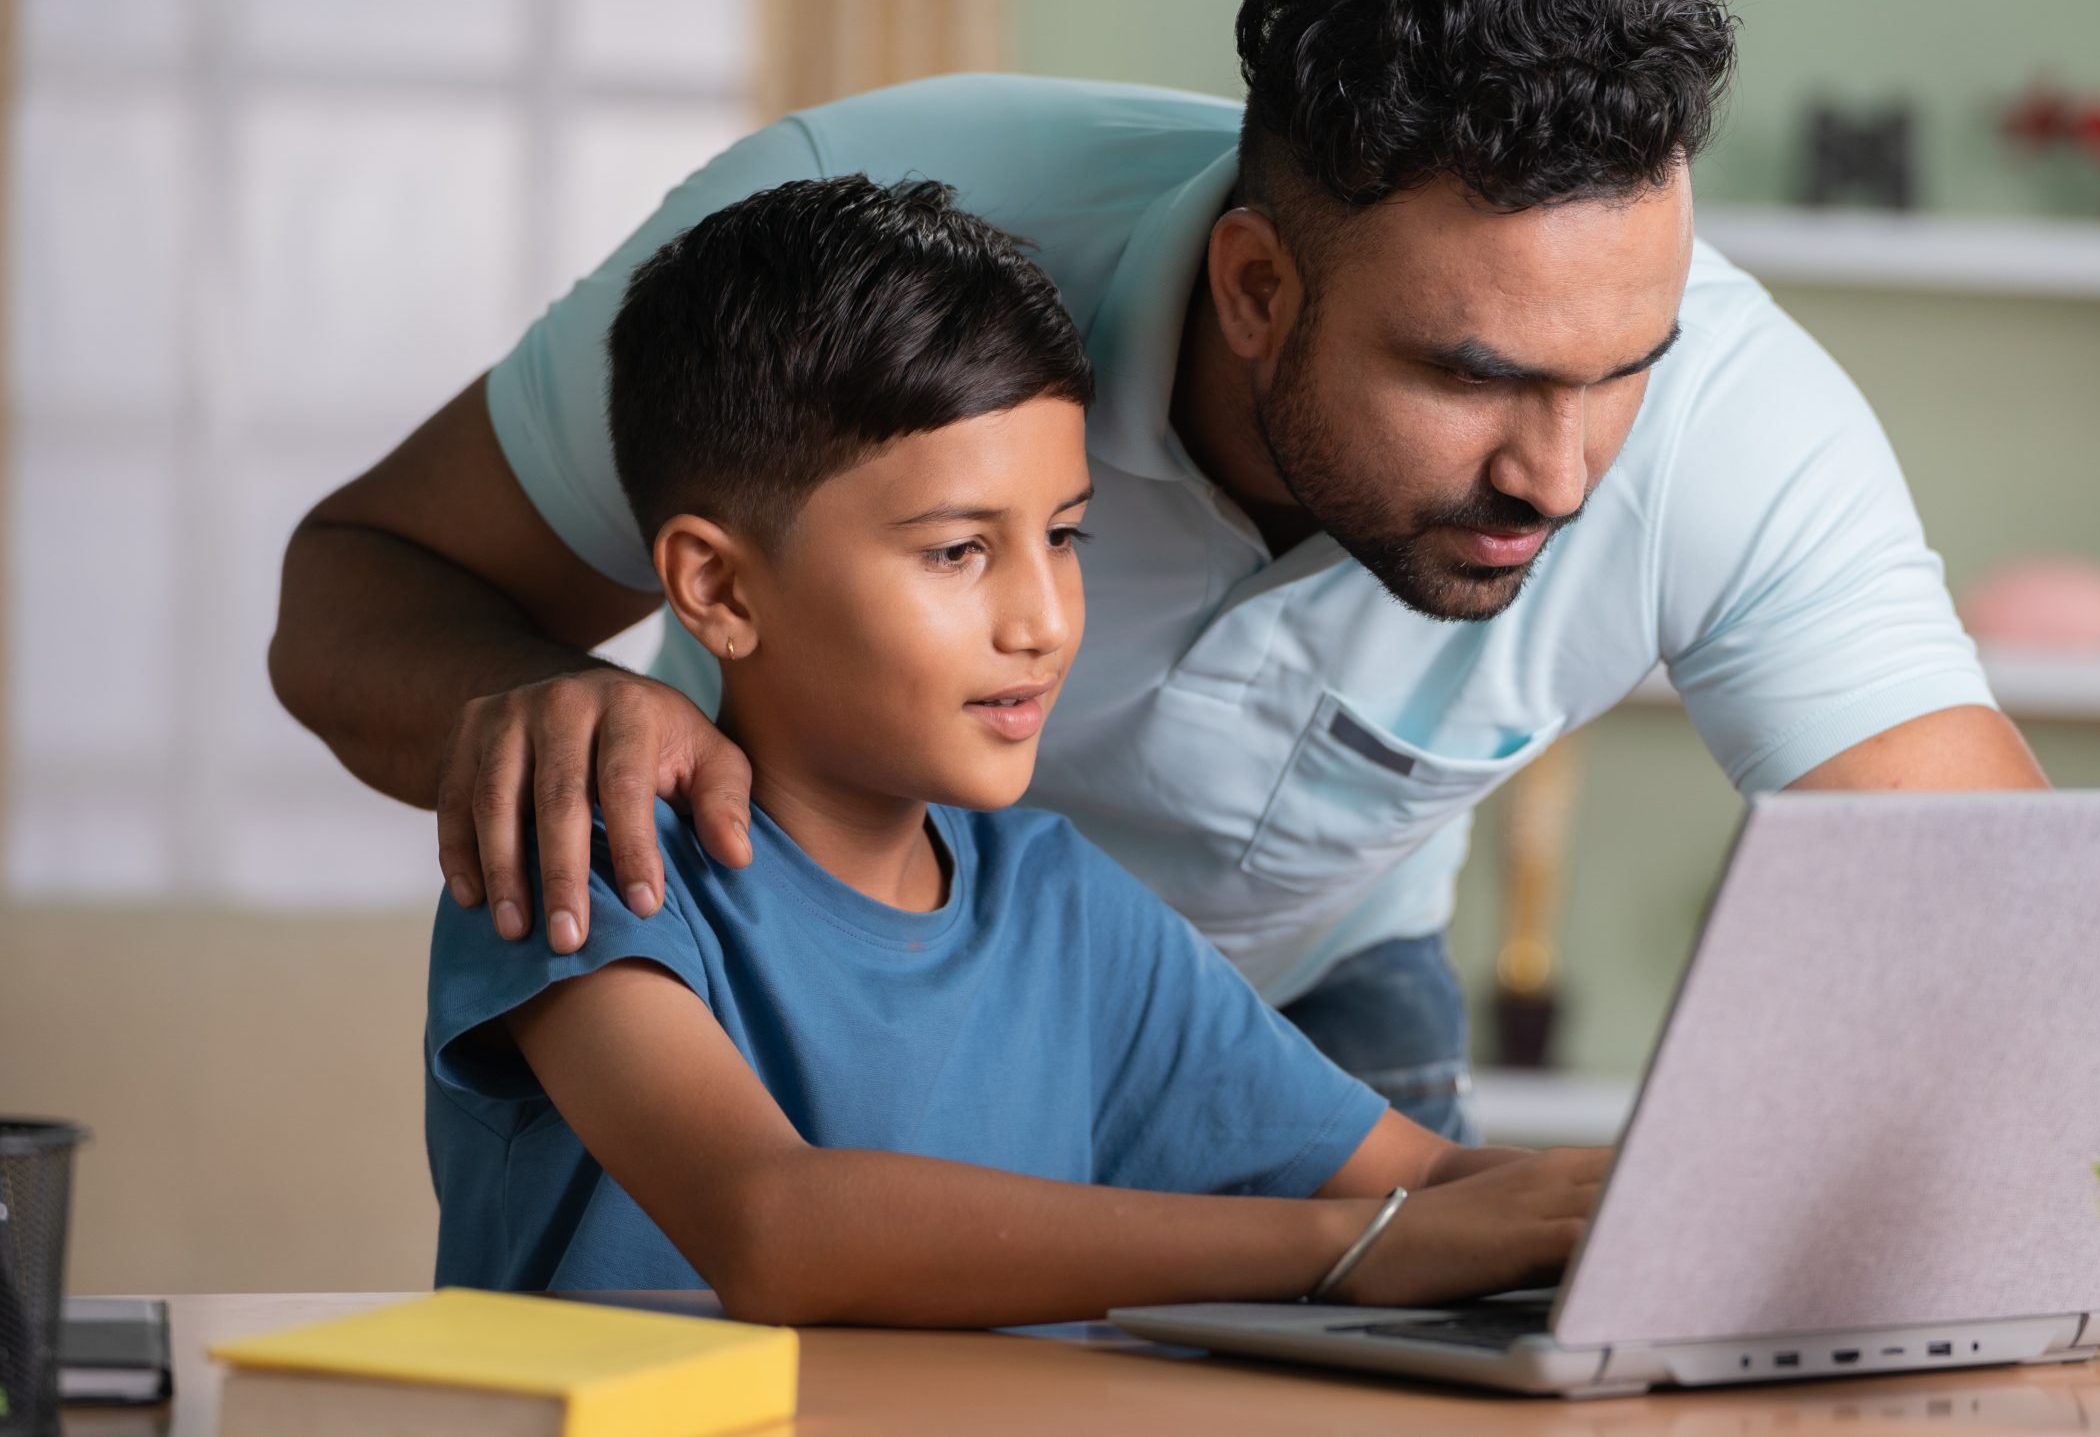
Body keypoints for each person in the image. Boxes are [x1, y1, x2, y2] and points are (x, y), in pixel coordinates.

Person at [277, 0, 2043, 1143]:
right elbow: (359, 582)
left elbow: (1989, 902)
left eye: (1620, 369)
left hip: (1297, 1034)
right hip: (797, 977)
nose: (1560, 472)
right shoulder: (841, 249)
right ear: (1257, 288)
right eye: (1472, 375)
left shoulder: (1737, 420)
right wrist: (544, 711)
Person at [427, 174, 1603, 1323]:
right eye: (955, 552)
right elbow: (774, 1228)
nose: (1041, 620)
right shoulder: (589, 854)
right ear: (718, 586)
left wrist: (1664, 1208)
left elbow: (1427, 1183)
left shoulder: (1065, 910)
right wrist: (1347, 1250)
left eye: (1062, 535)